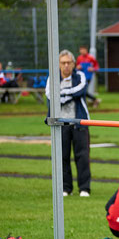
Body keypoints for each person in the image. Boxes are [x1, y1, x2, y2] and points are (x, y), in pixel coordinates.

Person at [45, 50, 91, 197]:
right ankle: (66, 188)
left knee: (82, 156)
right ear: (58, 65)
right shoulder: (52, 78)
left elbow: (80, 90)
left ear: (73, 64)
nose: (66, 66)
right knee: (62, 157)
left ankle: (84, 188)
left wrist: (62, 93)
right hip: (60, 124)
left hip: (79, 123)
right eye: (63, 63)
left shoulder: (80, 76)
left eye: (68, 63)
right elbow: (49, 94)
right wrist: (65, 94)